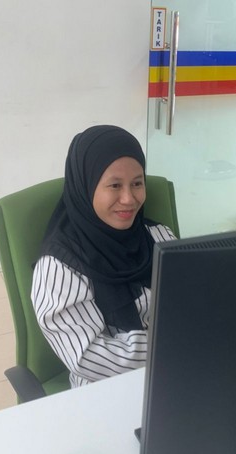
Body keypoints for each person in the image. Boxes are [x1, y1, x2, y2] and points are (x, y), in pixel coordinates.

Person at [31, 125, 176, 388]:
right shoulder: (59, 267)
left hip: (178, 369)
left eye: (137, 183)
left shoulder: (158, 236)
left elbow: (193, 296)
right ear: (86, 187)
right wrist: (174, 344)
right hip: (106, 389)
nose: (129, 198)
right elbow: (88, 357)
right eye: (114, 185)